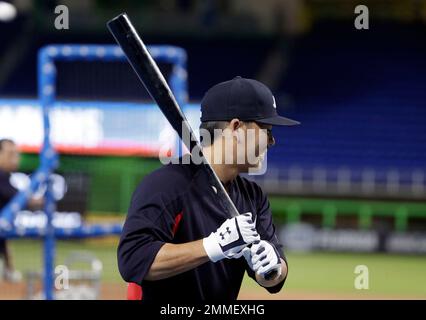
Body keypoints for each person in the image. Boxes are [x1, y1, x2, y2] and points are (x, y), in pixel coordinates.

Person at [118, 76, 300, 300]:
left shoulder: (253, 197)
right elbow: (132, 260)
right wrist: (213, 246)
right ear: (236, 128)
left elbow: (274, 278)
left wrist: (273, 266)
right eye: (266, 129)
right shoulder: (165, 185)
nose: (272, 141)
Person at [0, 139, 43, 282]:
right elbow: (20, 199)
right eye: (10, 154)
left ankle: (8, 271)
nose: (15, 158)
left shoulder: (5, 177)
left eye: (16, 154)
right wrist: (43, 200)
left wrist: (9, 268)